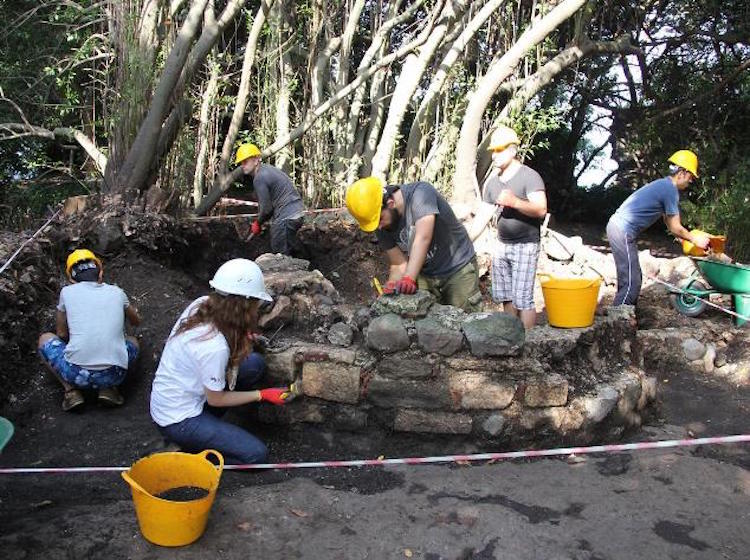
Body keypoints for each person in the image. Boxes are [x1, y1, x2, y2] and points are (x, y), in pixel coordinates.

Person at [149, 258, 291, 464]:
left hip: (179, 397)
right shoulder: (213, 347)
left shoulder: (201, 304)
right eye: (254, 303)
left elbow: (226, 331)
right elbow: (216, 399)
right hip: (179, 420)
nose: (257, 308)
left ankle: (209, 432)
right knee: (256, 455)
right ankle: (189, 453)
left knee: (253, 365)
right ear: (243, 306)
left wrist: (243, 334)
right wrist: (262, 395)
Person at [345, 176, 481, 311]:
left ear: (390, 203)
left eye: (380, 220)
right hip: (426, 274)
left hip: (458, 269)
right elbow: (399, 264)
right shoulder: (379, 221)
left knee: (467, 323)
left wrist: (409, 278)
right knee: (429, 326)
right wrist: (392, 284)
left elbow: (423, 237)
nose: (379, 228)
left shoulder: (421, 193)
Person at [38, 249, 141, 411]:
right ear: (100, 274)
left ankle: (71, 392)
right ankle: (109, 389)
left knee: (44, 339)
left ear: (71, 279)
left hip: (76, 375)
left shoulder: (66, 292)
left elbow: (61, 334)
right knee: (133, 341)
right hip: (114, 374)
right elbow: (136, 322)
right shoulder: (117, 292)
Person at [607, 150, 709, 306]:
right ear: (682, 172)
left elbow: (669, 223)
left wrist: (684, 240)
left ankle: (623, 317)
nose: (690, 181)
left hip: (620, 228)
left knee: (633, 279)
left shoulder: (664, 186)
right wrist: (695, 239)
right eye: (690, 177)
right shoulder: (670, 190)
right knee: (631, 283)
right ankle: (618, 321)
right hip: (622, 230)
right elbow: (675, 226)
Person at [481, 125, 547, 329]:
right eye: (493, 151)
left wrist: (515, 202)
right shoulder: (492, 183)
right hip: (501, 245)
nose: (494, 156)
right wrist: (465, 239)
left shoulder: (529, 176)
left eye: (499, 150)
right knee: (505, 297)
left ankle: (529, 344)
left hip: (526, 245)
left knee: (523, 299)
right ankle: (511, 338)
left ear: (512, 150)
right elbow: (482, 216)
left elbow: (541, 210)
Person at [235, 143, 307, 257]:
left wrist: (257, 223)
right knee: (292, 251)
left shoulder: (260, 178)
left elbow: (267, 209)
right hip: (296, 213)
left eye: (245, 162)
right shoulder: (267, 170)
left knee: (280, 255)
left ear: (256, 160)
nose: (243, 165)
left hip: (286, 218)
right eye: (241, 163)